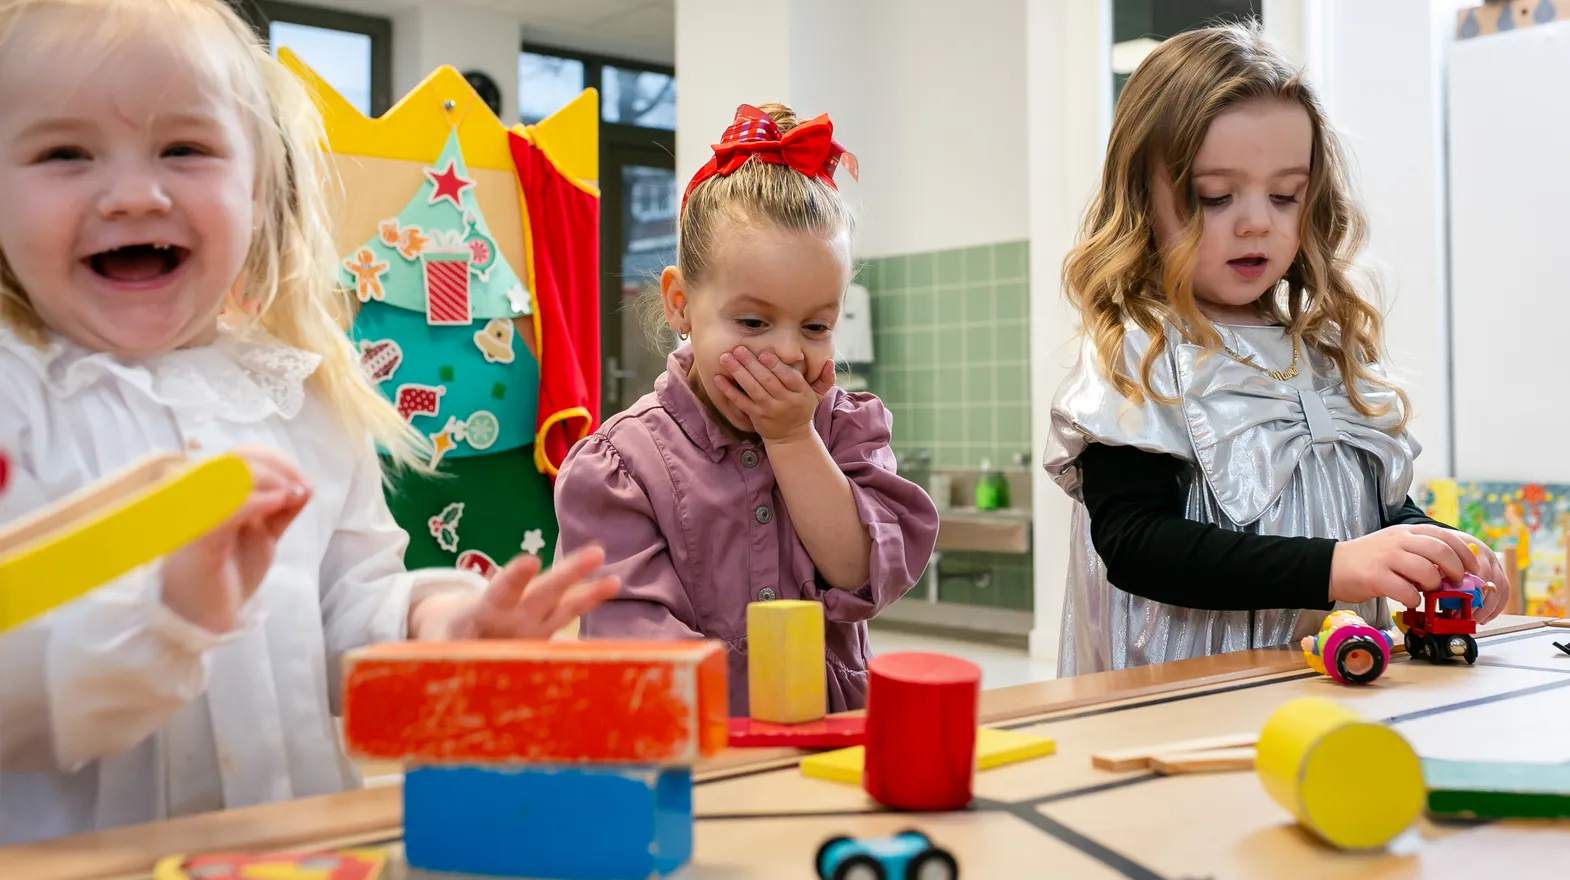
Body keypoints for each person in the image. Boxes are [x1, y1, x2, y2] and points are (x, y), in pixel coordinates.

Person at [0, 0, 618, 843]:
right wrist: (167, 620)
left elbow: (348, 610)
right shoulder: (16, 400)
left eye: (185, 149)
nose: (136, 193)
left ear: (256, 188)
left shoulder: (300, 397)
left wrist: (440, 626)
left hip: (297, 850)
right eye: (63, 153)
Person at [1041, 22, 1510, 677]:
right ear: (1142, 200)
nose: (1257, 220)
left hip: (1335, 688)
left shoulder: (1323, 350)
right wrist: (1337, 567)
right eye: (1215, 196)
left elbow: (1368, 510)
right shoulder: (1140, 351)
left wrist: (1433, 546)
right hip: (1185, 702)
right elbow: (1136, 544)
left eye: (1285, 194)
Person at [554, 103, 939, 715]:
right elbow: (627, 641)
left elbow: (859, 571)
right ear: (680, 304)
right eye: (754, 321)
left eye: (816, 326)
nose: (786, 352)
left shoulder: (844, 431)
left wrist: (792, 438)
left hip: (827, 740)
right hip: (694, 746)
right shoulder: (620, 467)